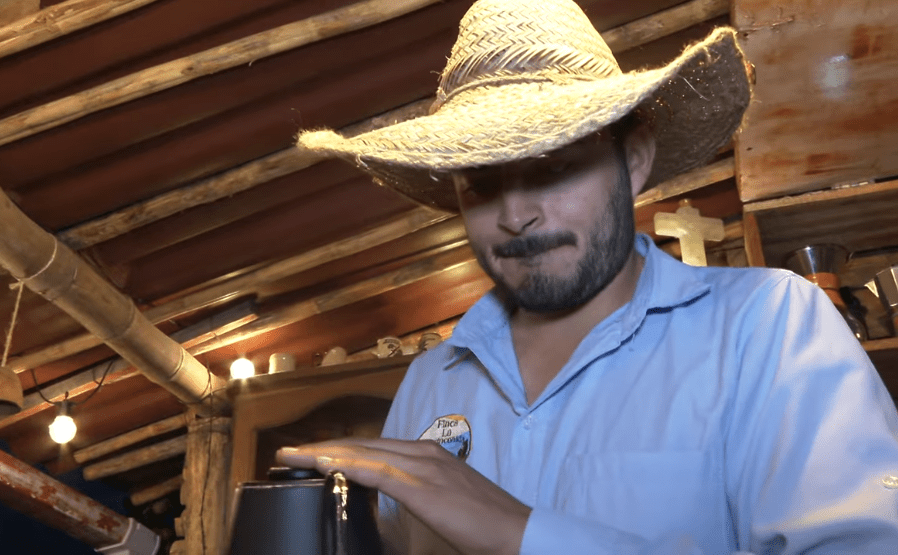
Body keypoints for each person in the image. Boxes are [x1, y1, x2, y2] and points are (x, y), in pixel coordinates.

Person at [278, 0, 898, 553]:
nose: (516, 216)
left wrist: (516, 530)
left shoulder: (769, 328)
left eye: (552, 166)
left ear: (632, 162)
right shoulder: (427, 383)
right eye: (481, 184)